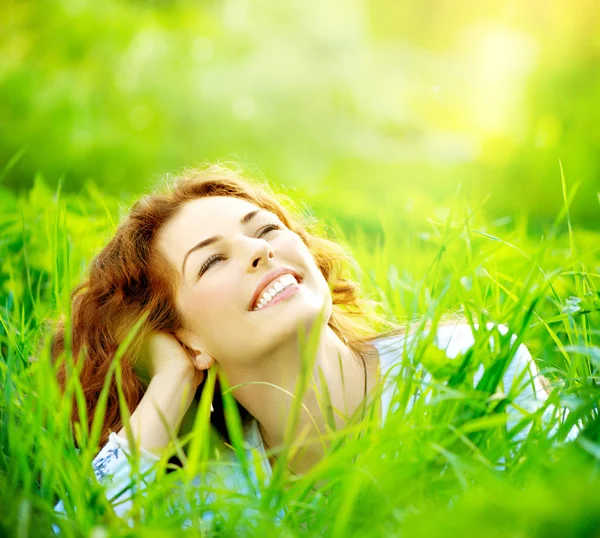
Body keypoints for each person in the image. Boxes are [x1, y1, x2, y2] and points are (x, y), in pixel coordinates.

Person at [51, 165, 578, 530]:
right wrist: (167, 386)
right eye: (212, 262)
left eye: (265, 230)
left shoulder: (463, 364)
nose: (259, 250)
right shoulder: (217, 490)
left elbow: (575, 498)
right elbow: (75, 528)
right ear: (179, 336)